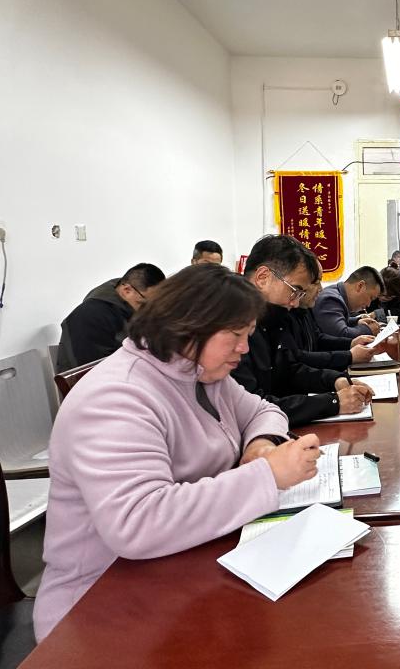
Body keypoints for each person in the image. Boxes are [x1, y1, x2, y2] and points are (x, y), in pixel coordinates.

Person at [33, 264, 321, 641]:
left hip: (182, 564)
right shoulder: (117, 397)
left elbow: (263, 410)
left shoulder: (199, 371)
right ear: (189, 326)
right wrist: (266, 475)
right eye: (235, 335)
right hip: (100, 605)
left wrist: (260, 446)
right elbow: (138, 523)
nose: (245, 348)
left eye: (248, 334)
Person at [231, 235, 372, 426]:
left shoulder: (273, 315)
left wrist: (334, 379)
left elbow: (289, 369)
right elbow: (253, 408)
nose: (296, 303)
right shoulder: (230, 324)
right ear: (263, 277)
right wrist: (333, 402)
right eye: (295, 290)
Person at [55, 262, 165, 371]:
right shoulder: (91, 316)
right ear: (127, 290)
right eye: (144, 304)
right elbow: (94, 371)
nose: (149, 311)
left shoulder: (129, 311)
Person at [287, 279, 376, 372]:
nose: (321, 289)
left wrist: (351, 343)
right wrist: (349, 356)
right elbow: (299, 359)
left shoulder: (305, 307)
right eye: (316, 283)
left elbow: (318, 338)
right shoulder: (330, 298)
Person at [312, 266, 384, 338]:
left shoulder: (336, 293)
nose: (368, 304)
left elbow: (337, 320)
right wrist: (368, 330)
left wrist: (357, 321)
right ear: (360, 286)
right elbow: (341, 334)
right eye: (371, 298)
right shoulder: (331, 299)